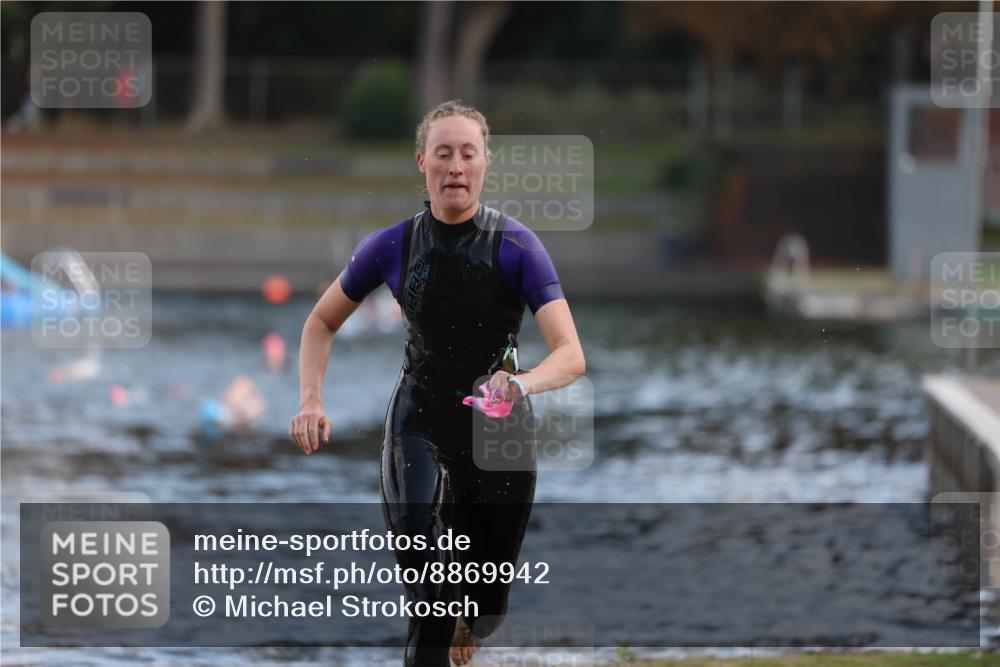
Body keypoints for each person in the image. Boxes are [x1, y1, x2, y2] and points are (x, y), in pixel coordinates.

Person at [290, 100, 586, 667]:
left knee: (485, 606)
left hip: (499, 435)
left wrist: (520, 385)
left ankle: (470, 620)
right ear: (422, 162)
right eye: (443, 153)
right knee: (429, 596)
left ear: (484, 165)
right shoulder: (391, 246)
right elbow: (320, 323)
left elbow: (571, 354)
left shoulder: (517, 246)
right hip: (418, 421)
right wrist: (310, 398)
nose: (456, 165)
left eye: (467, 153)